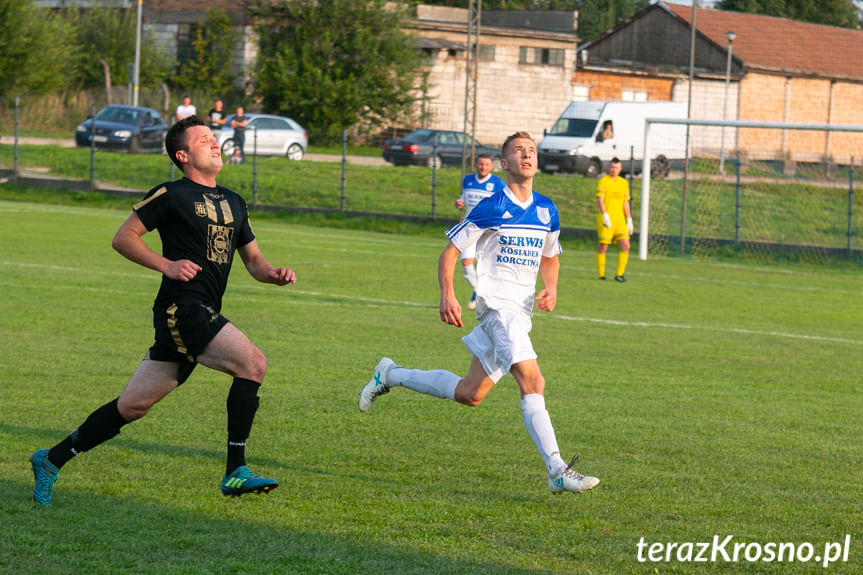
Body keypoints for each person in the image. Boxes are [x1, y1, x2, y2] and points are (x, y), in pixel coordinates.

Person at [29, 115, 297, 505]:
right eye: (204, 140)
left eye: (213, 137)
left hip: (199, 312)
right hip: (182, 309)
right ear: (183, 155)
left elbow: (254, 262)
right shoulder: (171, 194)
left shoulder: (235, 202)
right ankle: (235, 470)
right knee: (253, 364)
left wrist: (273, 274)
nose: (215, 142)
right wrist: (166, 265)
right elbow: (123, 238)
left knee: (133, 407)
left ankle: (50, 459)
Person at [358, 131, 599, 495]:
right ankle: (557, 469)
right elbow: (451, 251)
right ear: (505, 164)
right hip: (497, 310)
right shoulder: (491, 205)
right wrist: (448, 294)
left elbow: (550, 256)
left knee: (470, 393)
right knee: (533, 382)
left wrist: (551, 288)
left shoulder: (548, 210)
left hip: (521, 311)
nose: (527, 155)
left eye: (531, 150)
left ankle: (389, 374)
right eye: (518, 151)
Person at [453, 154, 506, 310]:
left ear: (491, 166)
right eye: (480, 164)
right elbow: (463, 198)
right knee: (466, 262)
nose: (483, 167)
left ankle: (494, 296)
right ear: (476, 164)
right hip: (469, 228)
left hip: (489, 231)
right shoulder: (467, 180)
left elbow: (504, 204)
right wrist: (459, 203)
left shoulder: (497, 183)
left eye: (486, 164)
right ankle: (478, 291)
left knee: (489, 266)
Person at [595, 157, 633, 282]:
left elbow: (625, 203)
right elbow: (600, 200)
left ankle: (619, 275)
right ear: (608, 168)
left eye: (616, 167)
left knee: (626, 245)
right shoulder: (604, 181)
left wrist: (629, 219)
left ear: (620, 169)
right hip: (606, 218)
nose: (614, 169)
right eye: (612, 167)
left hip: (620, 220)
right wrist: (605, 215)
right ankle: (601, 275)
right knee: (603, 246)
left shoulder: (623, 183)